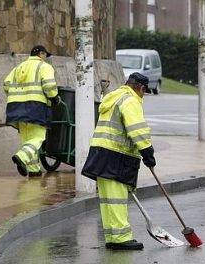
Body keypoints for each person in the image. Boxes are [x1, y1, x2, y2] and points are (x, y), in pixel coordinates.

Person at [81, 72, 156, 250]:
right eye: (144, 92)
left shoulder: (114, 97)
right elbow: (137, 129)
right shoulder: (130, 100)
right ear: (141, 88)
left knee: (108, 199)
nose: (143, 96)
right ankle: (121, 238)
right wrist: (148, 152)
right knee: (117, 198)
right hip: (116, 155)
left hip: (101, 153)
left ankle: (112, 237)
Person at [3, 45, 60, 177]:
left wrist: (16, 95)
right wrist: (54, 98)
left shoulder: (19, 67)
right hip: (36, 106)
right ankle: (22, 157)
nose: (46, 58)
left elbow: (6, 84)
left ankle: (34, 169)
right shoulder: (44, 67)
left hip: (15, 107)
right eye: (45, 55)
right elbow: (49, 85)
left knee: (28, 140)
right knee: (38, 138)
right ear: (41, 54)